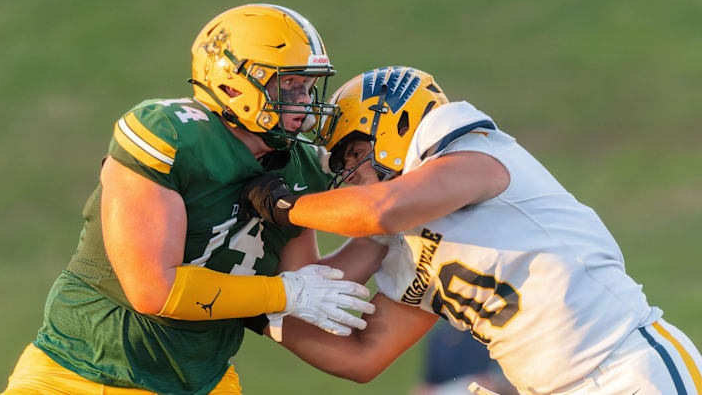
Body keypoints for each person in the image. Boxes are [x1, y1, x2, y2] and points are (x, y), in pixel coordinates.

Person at [241, 66, 702, 394]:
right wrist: (255, 310)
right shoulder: (404, 236)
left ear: (396, 123)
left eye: (353, 153)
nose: (348, 174)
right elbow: (360, 354)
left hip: (629, 370)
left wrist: (289, 204)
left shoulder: (473, 153)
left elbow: (380, 209)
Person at [2, 4, 376, 395]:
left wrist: (387, 237)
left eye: (308, 86)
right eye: (289, 86)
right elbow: (153, 290)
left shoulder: (300, 168)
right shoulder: (170, 134)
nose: (304, 101)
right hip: (77, 372)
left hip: (200, 382)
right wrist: (285, 292)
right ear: (234, 85)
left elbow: (312, 288)